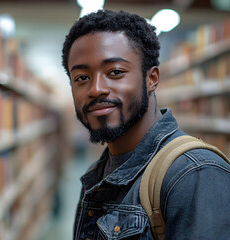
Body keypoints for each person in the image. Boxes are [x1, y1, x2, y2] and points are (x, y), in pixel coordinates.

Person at [61, 9, 230, 240]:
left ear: (151, 79)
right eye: (81, 77)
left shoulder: (194, 175)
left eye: (116, 72)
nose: (96, 89)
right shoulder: (96, 175)